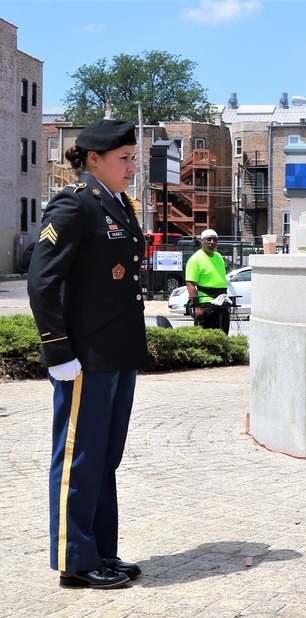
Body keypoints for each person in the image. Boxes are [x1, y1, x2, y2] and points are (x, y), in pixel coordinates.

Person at [26, 119, 146, 589]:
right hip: (84, 357)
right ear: (93, 159)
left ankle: (101, 552)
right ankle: (75, 560)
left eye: (134, 158)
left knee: (104, 457)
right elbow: (42, 281)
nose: (132, 167)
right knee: (79, 456)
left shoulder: (118, 205)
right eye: (125, 159)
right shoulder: (75, 204)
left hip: (117, 351)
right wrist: (57, 349)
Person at [185, 229, 230, 335]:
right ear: (202, 241)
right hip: (206, 304)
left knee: (223, 337)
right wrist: (197, 307)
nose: (212, 242)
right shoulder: (195, 259)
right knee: (206, 338)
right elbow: (190, 285)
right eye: (208, 239)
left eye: (215, 240)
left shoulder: (218, 257)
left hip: (222, 303)